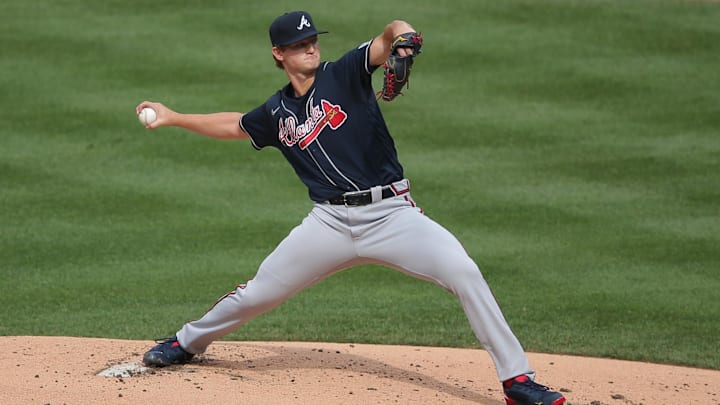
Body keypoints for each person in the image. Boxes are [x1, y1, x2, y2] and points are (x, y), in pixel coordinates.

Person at [135, 11, 566, 405]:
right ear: (278, 54)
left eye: (313, 41)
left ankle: (517, 382)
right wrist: (174, 116)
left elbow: (391, 30)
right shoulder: (277, 110)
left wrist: (404, 41)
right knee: (259, 293)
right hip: (328, 224)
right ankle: (186, 342)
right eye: (300, 44)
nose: (310, 48)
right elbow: (234, 124)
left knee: (464, 272)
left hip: (392, 215)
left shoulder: (344, 73)